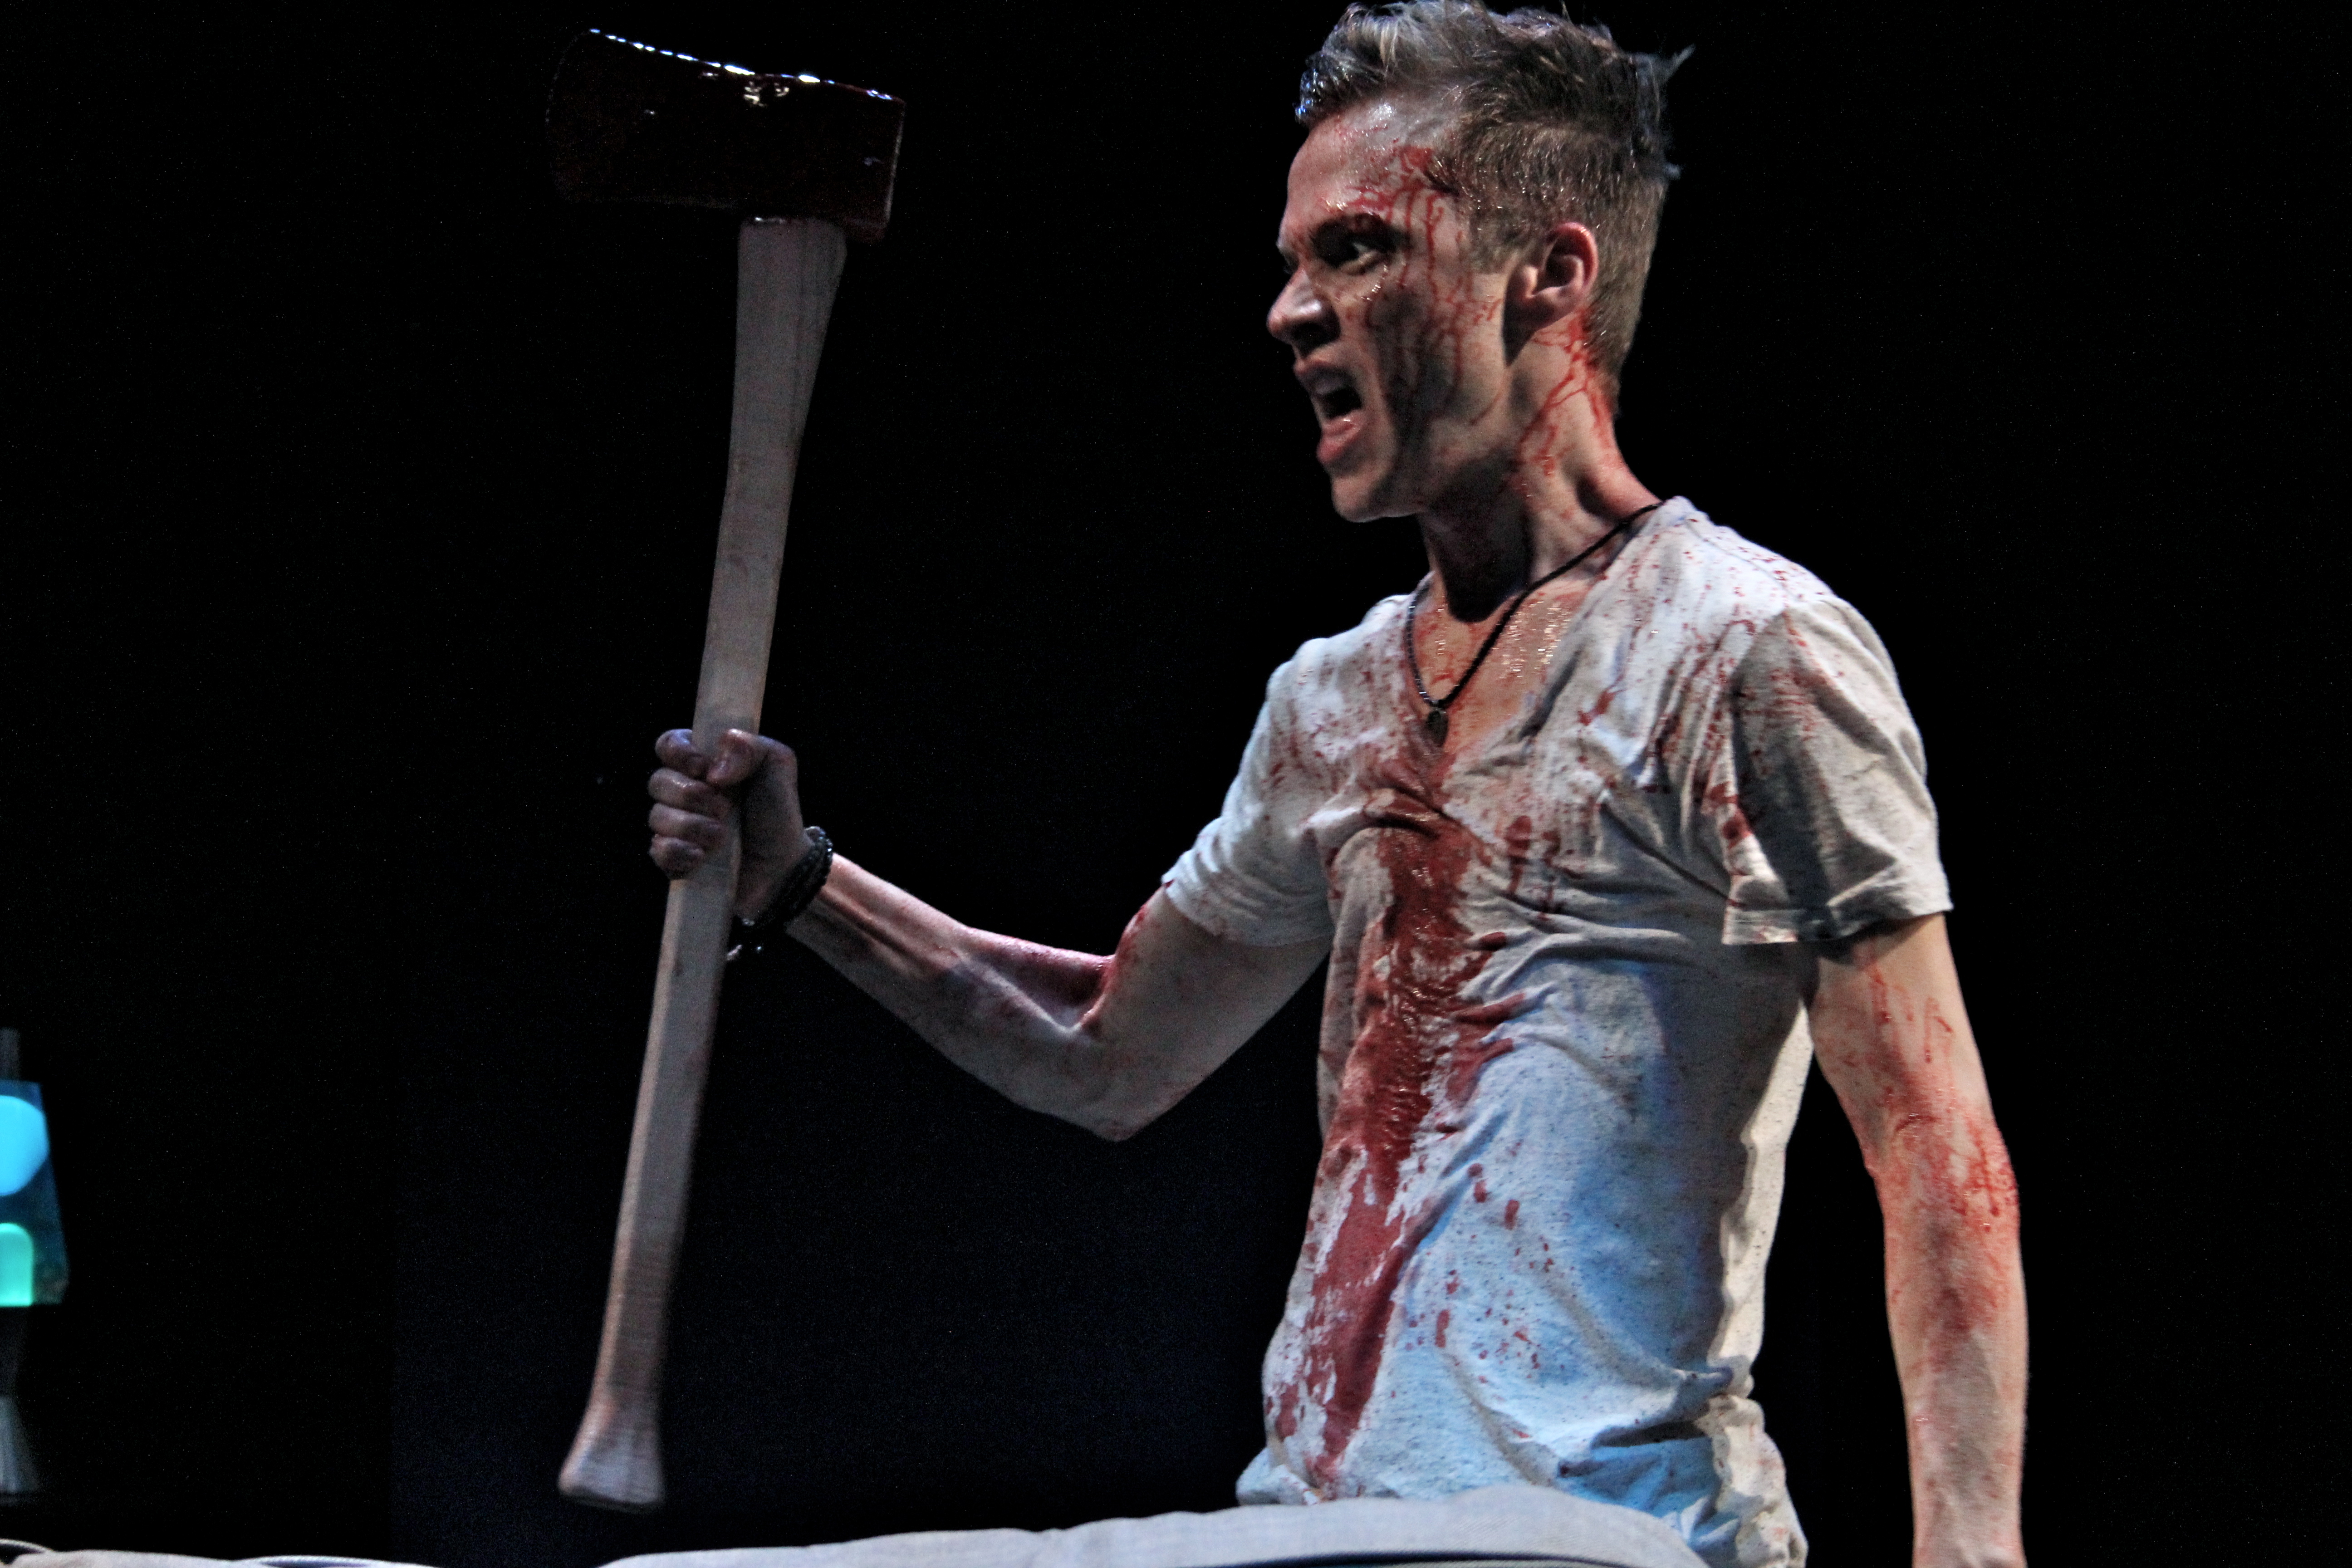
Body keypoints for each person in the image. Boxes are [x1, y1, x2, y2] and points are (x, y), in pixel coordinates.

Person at [644, 5, 2025, 1566]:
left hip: (1604, 1532)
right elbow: (1106, 1054)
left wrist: (1970, 1558)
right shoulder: (1334, 701)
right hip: (1325, 1529)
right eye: (1296, 260)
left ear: (1550, 276)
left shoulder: (1745, 646)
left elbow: (1934, 1147)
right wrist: (800, 885)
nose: (1292, 310)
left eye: (1358, 251)